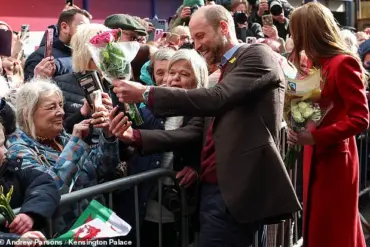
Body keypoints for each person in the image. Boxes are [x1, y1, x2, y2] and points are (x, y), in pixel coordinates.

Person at [109, 5, 300, 247]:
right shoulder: (225, 70)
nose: (196, 45)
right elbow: (198, 132)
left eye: (201, 36)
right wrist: (135, 136)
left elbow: (217, 98)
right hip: (213, 193)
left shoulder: (257, 55)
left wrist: (147, 93)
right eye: (194, 38)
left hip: (236, 192)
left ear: (223, 27)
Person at [287, 3, 369, 247]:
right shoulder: (315, 64)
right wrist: (299, 125)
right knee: (323, 226)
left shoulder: (343, 63)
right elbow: (315, 106)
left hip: (335, 158)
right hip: (315, 154)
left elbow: (360, 118)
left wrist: (317, 136)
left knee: (332, 226)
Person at [6, 79, 119, 233]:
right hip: (61, 234)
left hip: (94, 228)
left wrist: (108, 135)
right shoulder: (18, 149)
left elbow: (103, 171)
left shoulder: (62, 137)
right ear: (28, 113)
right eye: (52, 107)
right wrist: (75, 144)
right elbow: (50, 189)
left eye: (60, 104)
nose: (61, 112)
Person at [0, 121, 60, 240]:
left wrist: (30, 213)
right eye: (0, 146)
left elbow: (44, 183)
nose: (6, 151)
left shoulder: (10, 170)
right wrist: (13, 240)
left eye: (3, 144)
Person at [23, 8, 91, 81]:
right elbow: (29, 90)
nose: (86, 32)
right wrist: (37, 78)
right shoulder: (39, 56)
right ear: (64, 27)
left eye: (88, 29)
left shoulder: (84, 56)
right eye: (82, 27)